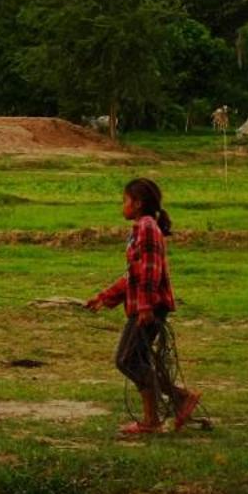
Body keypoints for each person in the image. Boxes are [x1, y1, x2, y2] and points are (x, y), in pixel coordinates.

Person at [85, 177, 203, 435]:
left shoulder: (146, 228)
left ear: (137, 204)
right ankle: (155, 417)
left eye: (125, 200)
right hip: (144, 305)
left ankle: (178, 399)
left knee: (127, 359)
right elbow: (133, 274)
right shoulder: (142, 226)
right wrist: (104, 297)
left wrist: (146, 307)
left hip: (148, 307)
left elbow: (151, 271)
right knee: (136, 359)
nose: (122, 205)